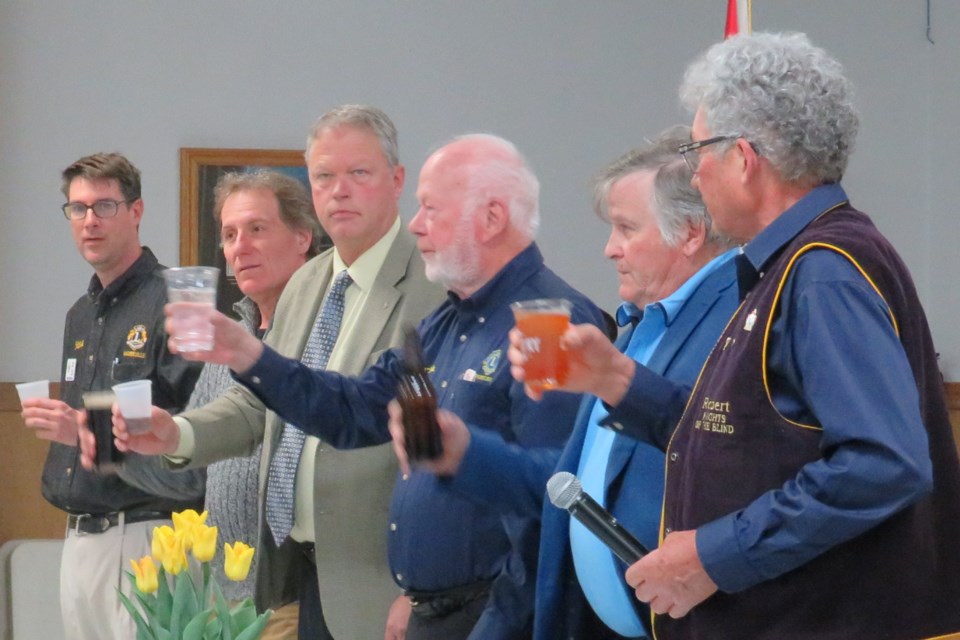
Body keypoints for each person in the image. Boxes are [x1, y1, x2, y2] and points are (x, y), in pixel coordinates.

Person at [541, 33, 960, 639]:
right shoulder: (793, 265)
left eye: (697, 150)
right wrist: (620, 382)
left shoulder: (822, 271)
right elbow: (751, 441)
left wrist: (713, 555)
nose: (695, 171)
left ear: (742, 158)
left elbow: (883, 463)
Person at [117, 133, 606, 639]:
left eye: (432, 209)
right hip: (432, 611)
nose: (416, 225)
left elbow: (554, 498)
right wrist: (247, 353)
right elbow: (354, 409)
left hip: (494, 615)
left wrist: (495, 623)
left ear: (492, 218)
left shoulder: (549, 325)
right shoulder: (451, 320)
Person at [387, 126, 738, 639]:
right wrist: (460, 452)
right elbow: (562, 485)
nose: (609, 250)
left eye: (625, 228)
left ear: (688, 232)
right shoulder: (641, 327)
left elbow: (739, 465)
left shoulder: (734, 327)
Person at [20, 152, 203, 640]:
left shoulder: (181, 300)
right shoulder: (79, 314)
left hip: (150, 534)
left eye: (104, 206)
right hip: (79, 538)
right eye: (77, 209)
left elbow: (199, 431)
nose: (89, 221)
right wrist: (73, 429)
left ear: (137, 211)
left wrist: (84, 428)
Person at [182, 169, 325, 604]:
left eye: (257, 229)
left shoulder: (328, 330)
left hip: (299, 591)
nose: (239, 248)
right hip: (224, 593)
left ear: (303, 237)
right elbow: (195, 458)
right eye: (229, 234)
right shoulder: (230, 335)